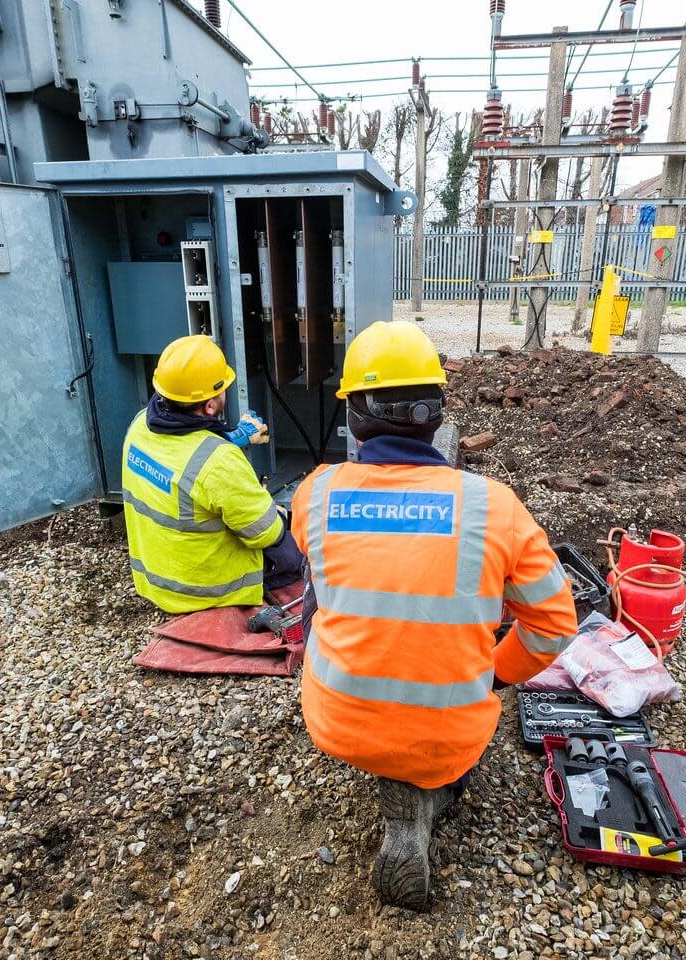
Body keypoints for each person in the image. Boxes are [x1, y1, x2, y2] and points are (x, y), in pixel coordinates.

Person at [290, 321, 578, 911]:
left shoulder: (314, 494)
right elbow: (554, 627)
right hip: (451, 729)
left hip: (337, 718)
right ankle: (433, 787)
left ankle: (402, 779)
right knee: (448, 734)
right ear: (437, 415)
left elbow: (323, 591)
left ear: (354, 417)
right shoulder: (494, 505)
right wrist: (494, 671)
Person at [123, 334, 303, 613]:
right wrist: (278, 516)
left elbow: (184, 459)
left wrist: (236, 436)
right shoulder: (219, 461)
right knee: (293, 551)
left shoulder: (139, 426)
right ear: (209, 406)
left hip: (155, 578)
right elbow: (265, 533)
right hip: (204, 591)